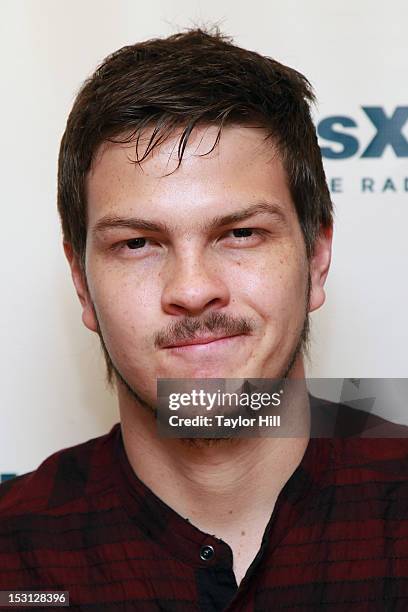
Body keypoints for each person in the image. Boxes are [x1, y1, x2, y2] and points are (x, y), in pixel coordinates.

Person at [0, 27, 407, 611]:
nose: (192, 290)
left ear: (317, 259)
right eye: (138, 243)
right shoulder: (14, 554)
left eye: (241, 234)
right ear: (81, 283)